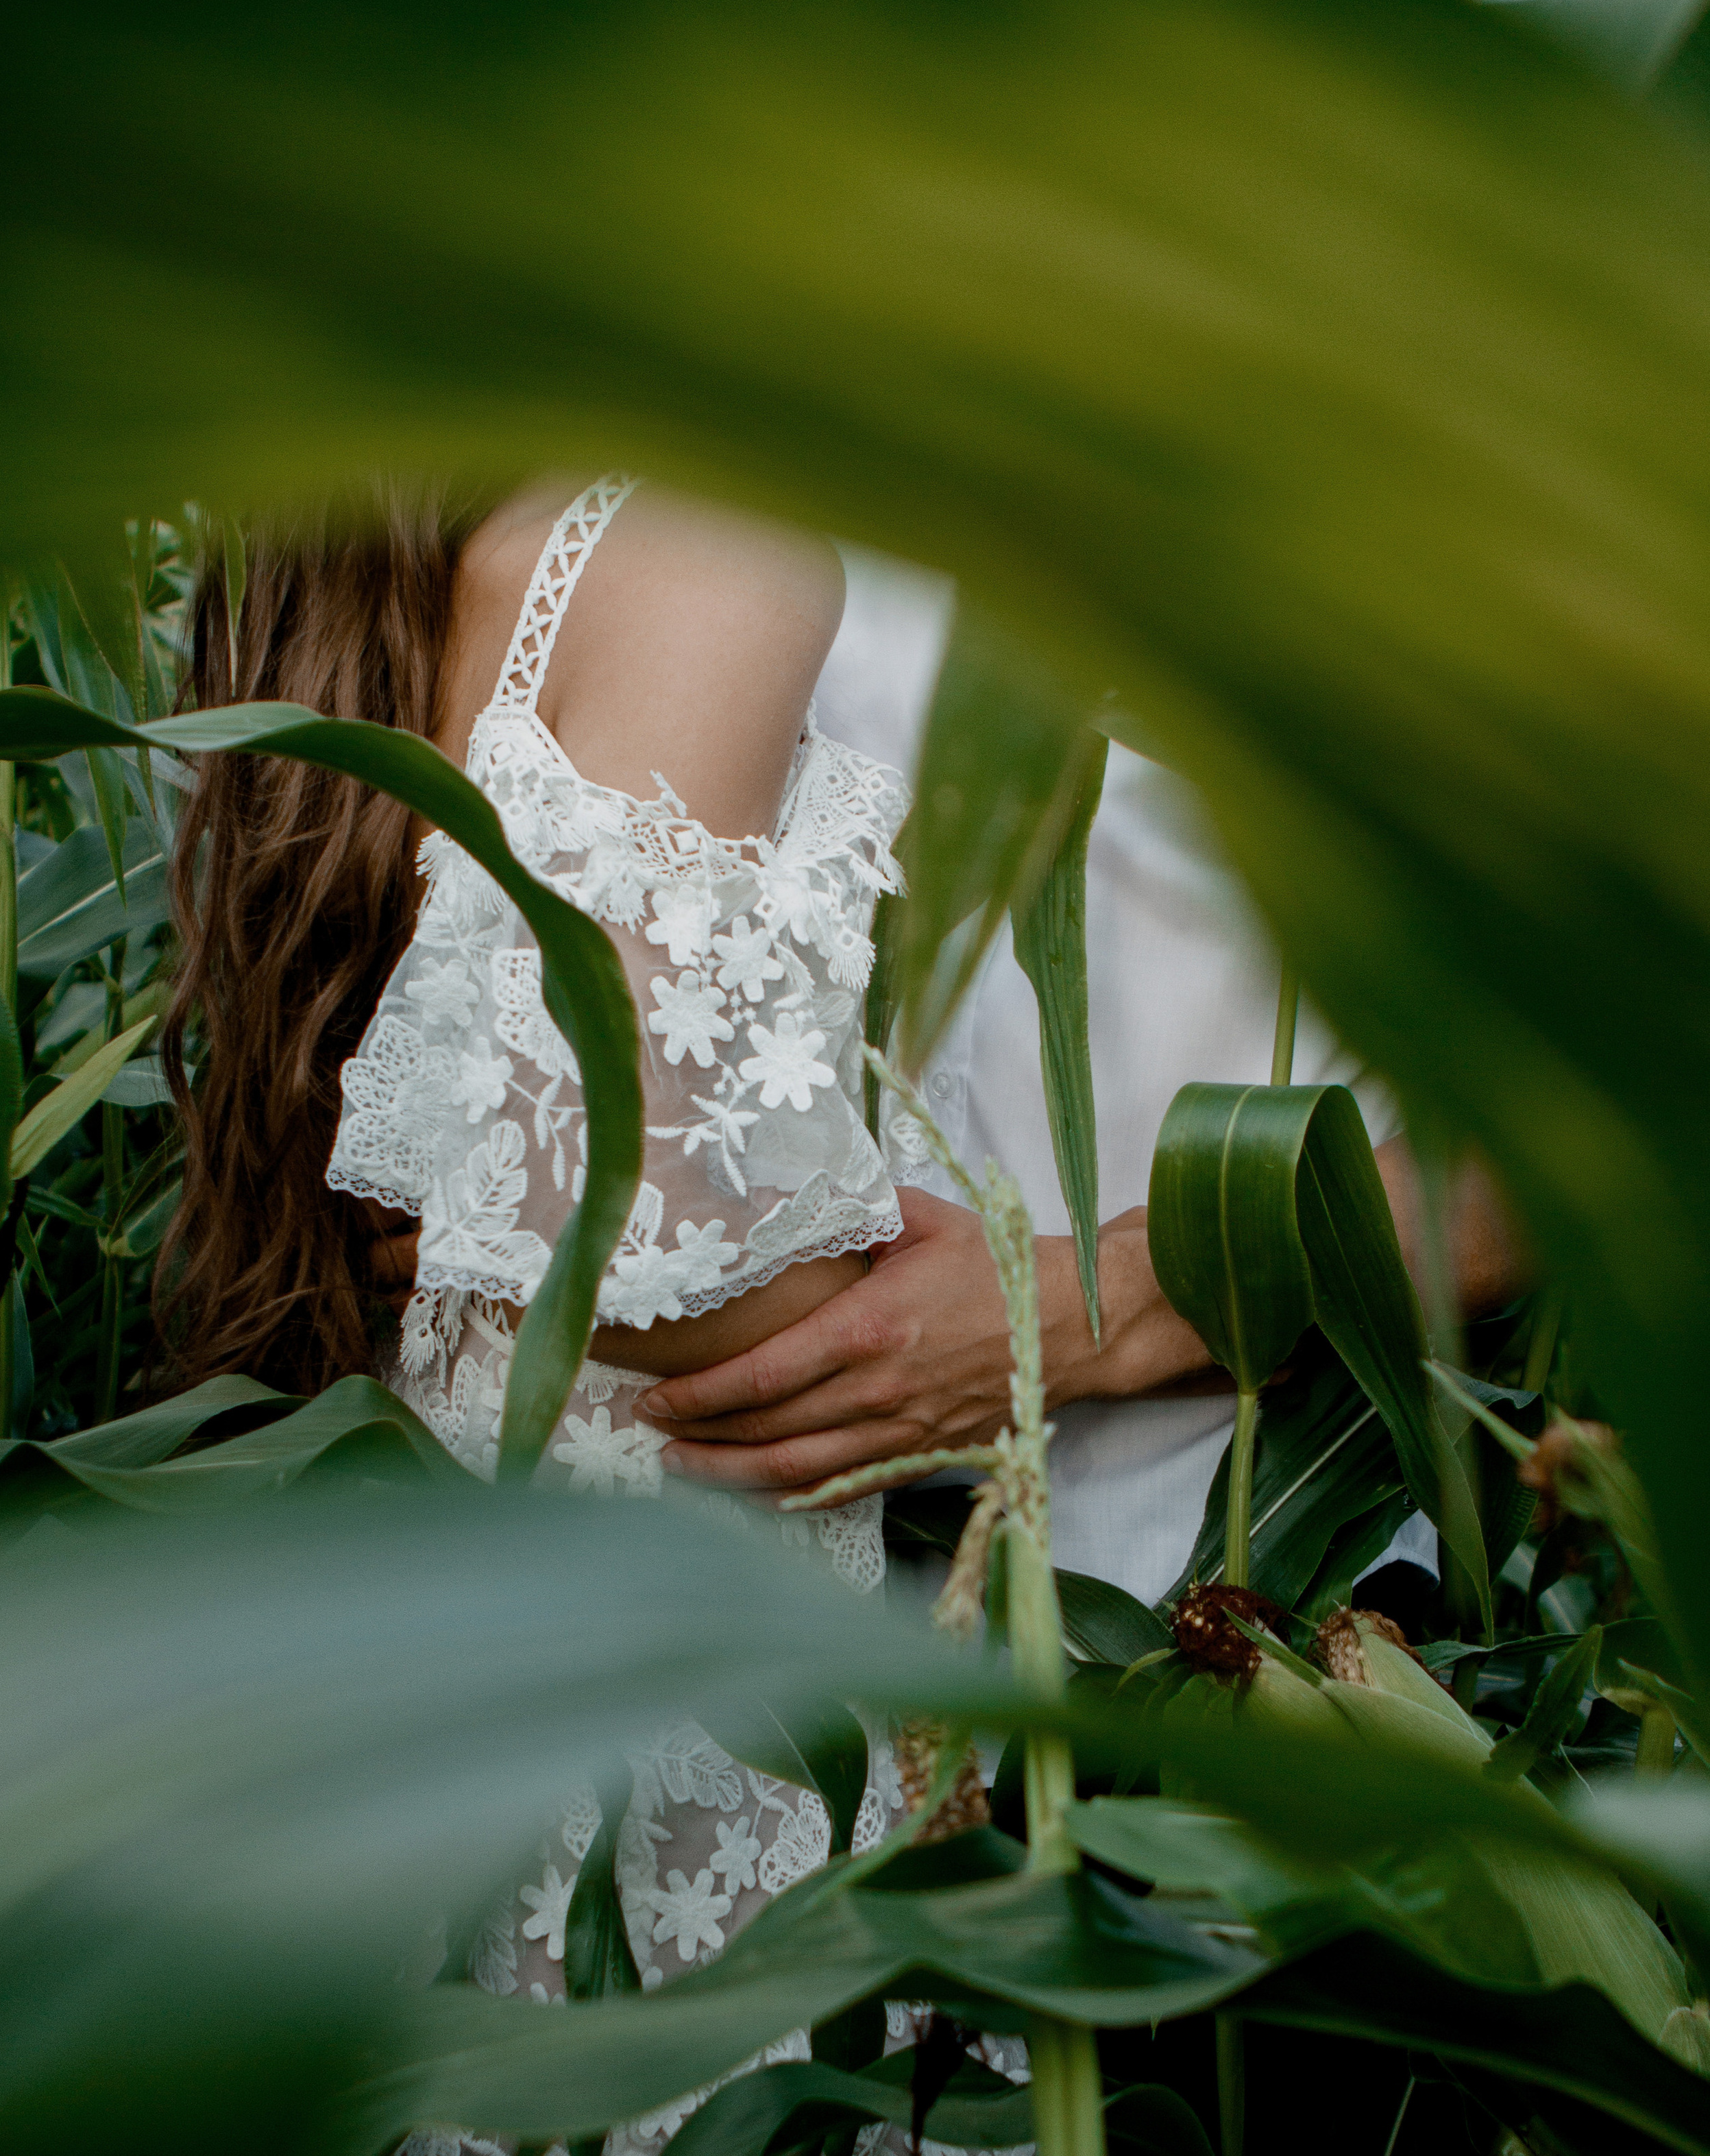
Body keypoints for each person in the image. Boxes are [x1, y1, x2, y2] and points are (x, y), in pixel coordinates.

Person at [166, 476, 1237, 2156]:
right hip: (712, 1747)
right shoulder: (712, 541)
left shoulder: (448, 571)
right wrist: (969, 1271)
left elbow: (477, 1209)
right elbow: (659, 1279)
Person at [632, 548, 1524, 1609]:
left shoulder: (1417, 502)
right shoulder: (690, 474)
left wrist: (1083, 1312)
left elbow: (1596, 1151)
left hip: (1242, 1569)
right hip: (753, 1611)